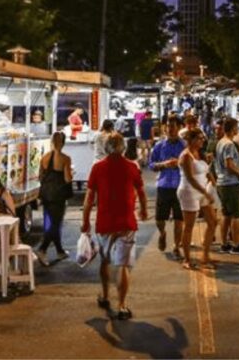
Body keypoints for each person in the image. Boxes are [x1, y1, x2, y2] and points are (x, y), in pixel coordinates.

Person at [82, 133, 148, 321]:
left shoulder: (97, 168)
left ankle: (104, 296)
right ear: (123, 147)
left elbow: (89, 198)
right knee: (123, 265)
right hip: (126, 221)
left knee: (105, 260)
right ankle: (122, 306)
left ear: (106, 147)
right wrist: (143, 210)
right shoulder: (132, 167)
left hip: (105, 222)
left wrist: (85, 220)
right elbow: (141, 192)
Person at [177, 127, 219, 269]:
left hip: (202, 191)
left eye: (203, 138)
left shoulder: (199, 153)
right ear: (192, 139)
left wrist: (212, 183)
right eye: (200, 138)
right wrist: (205, 192)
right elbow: (190, 178)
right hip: (189, 192)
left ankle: (205, 255)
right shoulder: (186, 156)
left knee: (213, 221)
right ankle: (187, 259)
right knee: (189, 226)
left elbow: (206, 171)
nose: (202, 141)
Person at [150, 115, 186, 258]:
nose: (170, 129)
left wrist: (179, 162)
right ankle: (162, 233)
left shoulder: (184, 145)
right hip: (163, 185)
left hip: (180, 185)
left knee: (179, 219)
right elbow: (151, 164)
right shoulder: (159, 146)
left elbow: (191, 163)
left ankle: (177, 246)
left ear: (179, 128)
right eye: (168, 126)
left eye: (173, 126)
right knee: (159, 218)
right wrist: (163, 164)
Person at [216, 118, 239, 255]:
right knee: (237, 214)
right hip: (230, 183)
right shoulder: (229, 144)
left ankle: (224, 243)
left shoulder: (220, 142)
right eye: (237, 127)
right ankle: (236, 244)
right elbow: (229, 164)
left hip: (221, 182)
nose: (238, 130)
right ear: (232, 129)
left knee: (226, 214)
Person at [37, 131, 73, 265]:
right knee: (55, 224)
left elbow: (40, 176)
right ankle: (42, 249)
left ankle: (60, 251)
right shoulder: (65, 158)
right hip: (58, 195)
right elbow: (67, 178)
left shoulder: (44, 157)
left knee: (50, 222)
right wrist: (71, 175)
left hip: (46, 194)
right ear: (63, 142)